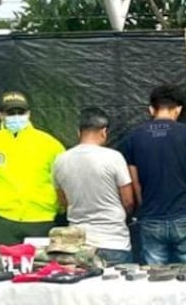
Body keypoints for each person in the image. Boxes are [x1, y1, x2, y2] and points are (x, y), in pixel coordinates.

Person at [119, 84, 186, 264]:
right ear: (178, 109)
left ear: (151, 109)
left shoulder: (134, 137)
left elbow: (134, 180)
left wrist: (144, 206)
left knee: (157, 280)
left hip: (151, 216)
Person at [0, 90, 65, 246]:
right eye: (10, 112)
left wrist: (57, 208)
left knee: (41, 268)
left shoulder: (49, 144)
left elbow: (63, 179)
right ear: (0, 115)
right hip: (5, 221)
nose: (16, 116)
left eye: (20, 112)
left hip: (42, 219)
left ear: (29, 114)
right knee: (7, 267)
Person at [51, 107, 135, 264]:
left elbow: (62, 201)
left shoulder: (60, 160)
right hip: (114, 242)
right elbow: (128, 201)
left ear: (78, 132)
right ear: (104, 132)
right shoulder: (114, 157)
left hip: (78, 244)